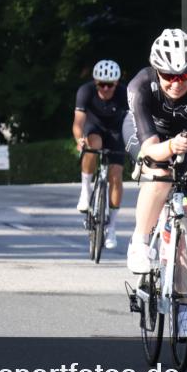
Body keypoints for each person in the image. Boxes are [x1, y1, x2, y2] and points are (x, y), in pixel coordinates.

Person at [123, 28, 187, 338]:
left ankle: (184, 311)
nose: (176, 82)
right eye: (169, 75)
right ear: (157, 70)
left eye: (184, 76)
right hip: (147, 137)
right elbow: (151, 147)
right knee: (161, 171)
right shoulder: (141, 85)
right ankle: (139, 242)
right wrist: (170, 148)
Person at [73, 59, 128, 249]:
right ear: (95, 83)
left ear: (117, 83)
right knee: (92, 144)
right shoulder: (85, 91)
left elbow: (134, 123)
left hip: (116, 131)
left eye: (110, 85)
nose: (105, 89)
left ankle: (111, 226)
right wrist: (80, 139)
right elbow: (78, 123)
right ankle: (85, 189)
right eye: (101, 84)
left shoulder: (124, 93)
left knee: (116, 175)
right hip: (93, 127)